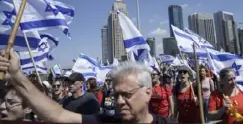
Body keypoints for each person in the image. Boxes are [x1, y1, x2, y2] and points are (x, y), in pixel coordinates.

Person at [0, 49, 175, 123]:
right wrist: (16, 75)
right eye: (116, 95)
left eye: (127, 94)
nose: (119, 102)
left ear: (148, 92)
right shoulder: (105, 121)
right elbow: (58, 115)